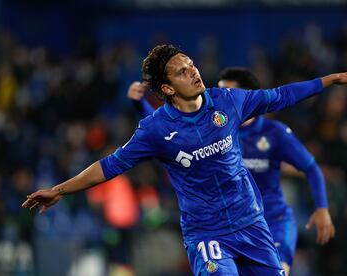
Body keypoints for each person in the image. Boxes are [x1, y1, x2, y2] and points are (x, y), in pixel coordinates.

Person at [22, 45, 347, 275]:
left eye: (191, 64)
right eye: (181, 71)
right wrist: (60, 190)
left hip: (251, 223)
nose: (193, 71)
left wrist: (331, 80)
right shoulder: (155, 129)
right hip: (208, 233)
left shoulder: (228, 102)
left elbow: (280, 95)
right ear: (168, 90)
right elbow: (110, 166)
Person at [128, 67, 335, 276]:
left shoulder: (275, 134)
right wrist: (139, 104)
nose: (216, 97)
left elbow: (310, 167)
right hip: (230, 225)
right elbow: (166, 136)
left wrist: (322, 207)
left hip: (273, 221)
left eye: (226, 91)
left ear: (245, 96)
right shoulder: (216, 130)